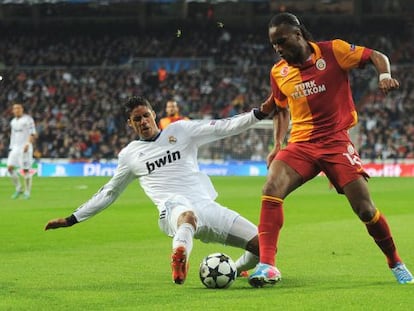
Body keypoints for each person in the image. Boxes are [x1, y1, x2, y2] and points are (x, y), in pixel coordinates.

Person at [248, 12, 414, 287]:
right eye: (273, 44)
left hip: (336, 142)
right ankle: (267, 265)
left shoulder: (334, 51)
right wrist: (277, 145)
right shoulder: (279, 72)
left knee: (364, 209)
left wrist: (384, 74)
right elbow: (280, 109)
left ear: (298, 35)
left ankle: (395, 261)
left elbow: (376, 55)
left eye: (282, 41)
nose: (278, 48)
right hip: (301, 144)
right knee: (271, 189)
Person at [45, 95, 272, 285]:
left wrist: (259, 113)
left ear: (154, 114)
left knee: (264, 244)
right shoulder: (130, 155)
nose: (143, 121)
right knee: (187, 216)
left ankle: (236, 267)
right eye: (137, 119)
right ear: (130, 123)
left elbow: (223, 126)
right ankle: (179, 257)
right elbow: (109, 192)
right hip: (172, 209)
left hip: (207, 206)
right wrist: (72, 219)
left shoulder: (181, 130)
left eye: (145, 115)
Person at [7, 103, 37, 199]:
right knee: (10, 168)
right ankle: (19, 188)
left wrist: (28, 144)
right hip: (15, 147)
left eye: (18, 108)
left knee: (26, 170)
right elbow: (13, 135)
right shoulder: (13, 122)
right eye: (15, 108)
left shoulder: (28, 119)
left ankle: (27, 192)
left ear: (22, 109)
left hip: (25, 147)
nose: (17, 110)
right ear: (13, 110)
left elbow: (32, 133)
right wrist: (11, 147)